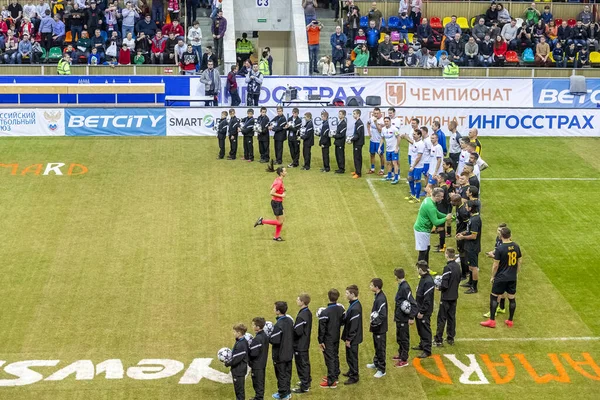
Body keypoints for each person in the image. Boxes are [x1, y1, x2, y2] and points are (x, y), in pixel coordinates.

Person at [481, 227, 522, 329]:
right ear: (510, 235)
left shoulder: (500, 249)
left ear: (501, 236)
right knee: (512, 298)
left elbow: (495, 265)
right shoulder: (516, 246)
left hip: (501, 277)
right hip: (512, 277)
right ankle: (510, 320)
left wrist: (492, 276)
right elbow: (519, 261)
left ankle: (492, 321)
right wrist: (516, 272)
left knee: (494, 296)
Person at [413, 187, 452, 266]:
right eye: (441, 196)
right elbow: (436, 222)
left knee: (427, 248)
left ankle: (426, 268)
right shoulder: (430, 206)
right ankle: (421, 270)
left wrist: (448, 216)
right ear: (437, 196)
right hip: (422, 230)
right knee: (423, 252)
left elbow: (437, 213)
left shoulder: (428, 200)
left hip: (424, 229)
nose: (443, 198)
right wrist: (446, 218)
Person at [433, 248, 461, 347]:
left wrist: (438, 287)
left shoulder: (447, 268)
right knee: (451, 318)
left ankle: (438, 339)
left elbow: (444, 284)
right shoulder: (458, 267)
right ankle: (450, 338)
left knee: (442, 318)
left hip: (446, 297)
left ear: (447, 255)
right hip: (454, 296)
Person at [318, 288, 345, 389]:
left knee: (330, 358)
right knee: (335, 355)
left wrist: (320, 340)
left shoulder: (325, 312)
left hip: (328, 338)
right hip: (336, 335)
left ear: (328, 297)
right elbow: (343, 321)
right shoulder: (341, 309)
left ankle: (331, 381)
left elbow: (322, 328)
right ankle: (335, 375)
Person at [254, 162, 287, 241]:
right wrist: (281, 195)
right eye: (285, 171)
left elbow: (271, 187)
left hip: (277, 202)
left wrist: (282, 189)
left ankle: (276, 236)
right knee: (279, 222)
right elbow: (271, 192)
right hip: (277, 203)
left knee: (281, 220)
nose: (286, 172)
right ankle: (262, 221)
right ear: (281, 173)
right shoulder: (279, 182)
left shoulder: (278, 179)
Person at [269, 301, 294, 399]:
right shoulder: (289, 320)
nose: (273, 309)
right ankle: (287, 392)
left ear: (278, 311)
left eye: (274, 308)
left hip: (280, 355)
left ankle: (283, 394)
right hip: (289, 352)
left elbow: (274, 340)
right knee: (287, 373)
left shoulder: (278, 325)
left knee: (281, 375)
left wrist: (268, 336)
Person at [392, 268, 416, 368]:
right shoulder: (402, 286)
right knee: (399, 337)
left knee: (404, 338)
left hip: (403, 318)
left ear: (396, 276)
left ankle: (404, 359)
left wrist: (411, 317)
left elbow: (413, 303)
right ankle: (401, 354)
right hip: (399, 317)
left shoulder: (405, 287)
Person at [457, 200, 482, 294]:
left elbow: (474, 236)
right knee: (470, 266)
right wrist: (462, 233)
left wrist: (463, 237)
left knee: (473, 267)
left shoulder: (475, 220)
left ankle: (474, 287)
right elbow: (469, 231)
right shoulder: (473, 218)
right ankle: (470, 282)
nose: (466, 208)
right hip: (469, 246)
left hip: (473, 247)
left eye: (467, 206)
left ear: (471, 208)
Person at [366, 278, 387, 378]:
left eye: (371, 285)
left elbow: (383, 315)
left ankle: (382, 369)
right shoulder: (377, 296)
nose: (370, 287)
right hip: (376, 328)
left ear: (376, 287)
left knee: (380, 348)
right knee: (376, 346)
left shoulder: (381, 299)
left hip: (380, 328)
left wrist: (374, 322)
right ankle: (376, 362)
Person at [341, 284, 362, 385]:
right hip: (352, 337)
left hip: (353, 338)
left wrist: (349, 339)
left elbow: (354, 326)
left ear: (352, 294)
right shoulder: (353, 304)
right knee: (349, 355)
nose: (345, 295)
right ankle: (351, 371)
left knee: (352, 356)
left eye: (347, 293)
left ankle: (354, 376)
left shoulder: (355, 308)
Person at [292, 293, 312, 394]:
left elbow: (298, 332)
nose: (296, 300)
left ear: (302, 302)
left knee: (301, 365)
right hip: (305, 343)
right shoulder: (308, 312)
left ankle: (304, 386)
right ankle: (307, 381)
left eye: (298, 299)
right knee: (305, 363)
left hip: (300, 345)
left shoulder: (301, 316)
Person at [414, 260, 434, 359]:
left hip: (424, 311)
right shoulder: (424, 278)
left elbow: (427, 299)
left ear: (421, 269)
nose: (417, 270)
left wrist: (422, 311)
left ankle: (427, 350)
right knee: (420, 328)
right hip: (419, 308)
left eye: (417, 268)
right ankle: (422, 344)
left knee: (425, 329)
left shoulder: (428, 281)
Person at [224, 323, 249, 400]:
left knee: (239, 391)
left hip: (239, 371)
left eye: (234, 332)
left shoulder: (241, 344)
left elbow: (236, 360)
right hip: (240, 370)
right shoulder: (241, 341)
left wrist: (227, 363)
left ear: (239, 333)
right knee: (239, 390)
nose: (233, 333)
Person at [249, 317, 269, 400]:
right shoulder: (264, 335)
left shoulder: (257, 339)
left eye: (253, 325)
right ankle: (258, 397)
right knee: (260, 382)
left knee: (257, 383)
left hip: (257, 364)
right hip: (262, 362)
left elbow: (254, 353)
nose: (252, 326)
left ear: (258, 327)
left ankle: (259, 398)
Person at [406, 129, 425, 203]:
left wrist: (413, 166)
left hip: (418, 166)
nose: (413, 135)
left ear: (419, 135)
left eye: (414, 134)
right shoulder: (415, 142)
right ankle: (413, 194)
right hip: (413, 164)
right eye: (413, 134)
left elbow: (419, 157)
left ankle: (417, 197)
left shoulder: (421, 144)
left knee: (417, 180)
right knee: (410, 178)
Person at [379, 116, 400, 184]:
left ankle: (396, 178)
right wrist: (380, 147)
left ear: (390, 121)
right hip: (388, 149)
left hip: (394, 149)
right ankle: (389, 176)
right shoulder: (383, 129)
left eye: (387, 121)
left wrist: (397, 147)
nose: (386, 122)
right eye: (385, 121)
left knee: (394, 163)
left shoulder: (394, 129)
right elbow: (382, 138)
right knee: (388, 163)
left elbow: (399, 138)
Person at [366, 107, 384, 176]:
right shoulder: (371, 119)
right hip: (372, 140)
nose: (376, 115)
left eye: (377, 113)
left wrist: (376, 122)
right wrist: (369, 132)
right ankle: (372, 169)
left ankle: (382, 169)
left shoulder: (382, 121)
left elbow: (379, 130)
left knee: (381, 155)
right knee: (372, 154)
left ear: (380, 113)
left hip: (379, 141)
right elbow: (368, 123)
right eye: (374, 113)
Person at [350, 109, 365, 179]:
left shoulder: (359, 123)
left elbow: (358, 135)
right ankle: (357, 171)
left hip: (358, 143)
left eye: (354, 114)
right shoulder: (358, 122)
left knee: (357, 158)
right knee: (356, 157)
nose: (353, 115)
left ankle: (358, 173)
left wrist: (351, 139)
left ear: (358, 114)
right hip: (357, 142)